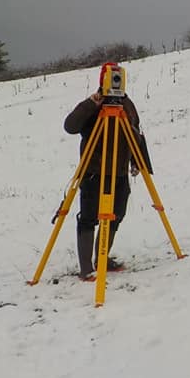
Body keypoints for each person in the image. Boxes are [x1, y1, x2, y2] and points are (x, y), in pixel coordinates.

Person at [63, 62, 142, 279]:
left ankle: (103, 258)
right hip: (94, 172)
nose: (115, 82)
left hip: (119, 173)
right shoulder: (93, 105)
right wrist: (92, 103)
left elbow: (135, 133)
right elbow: (70, 126)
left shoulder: (127, 105)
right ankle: (86, 268)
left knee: (116, 215)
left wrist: (137, 160)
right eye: (111, 78)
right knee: (89, 217)